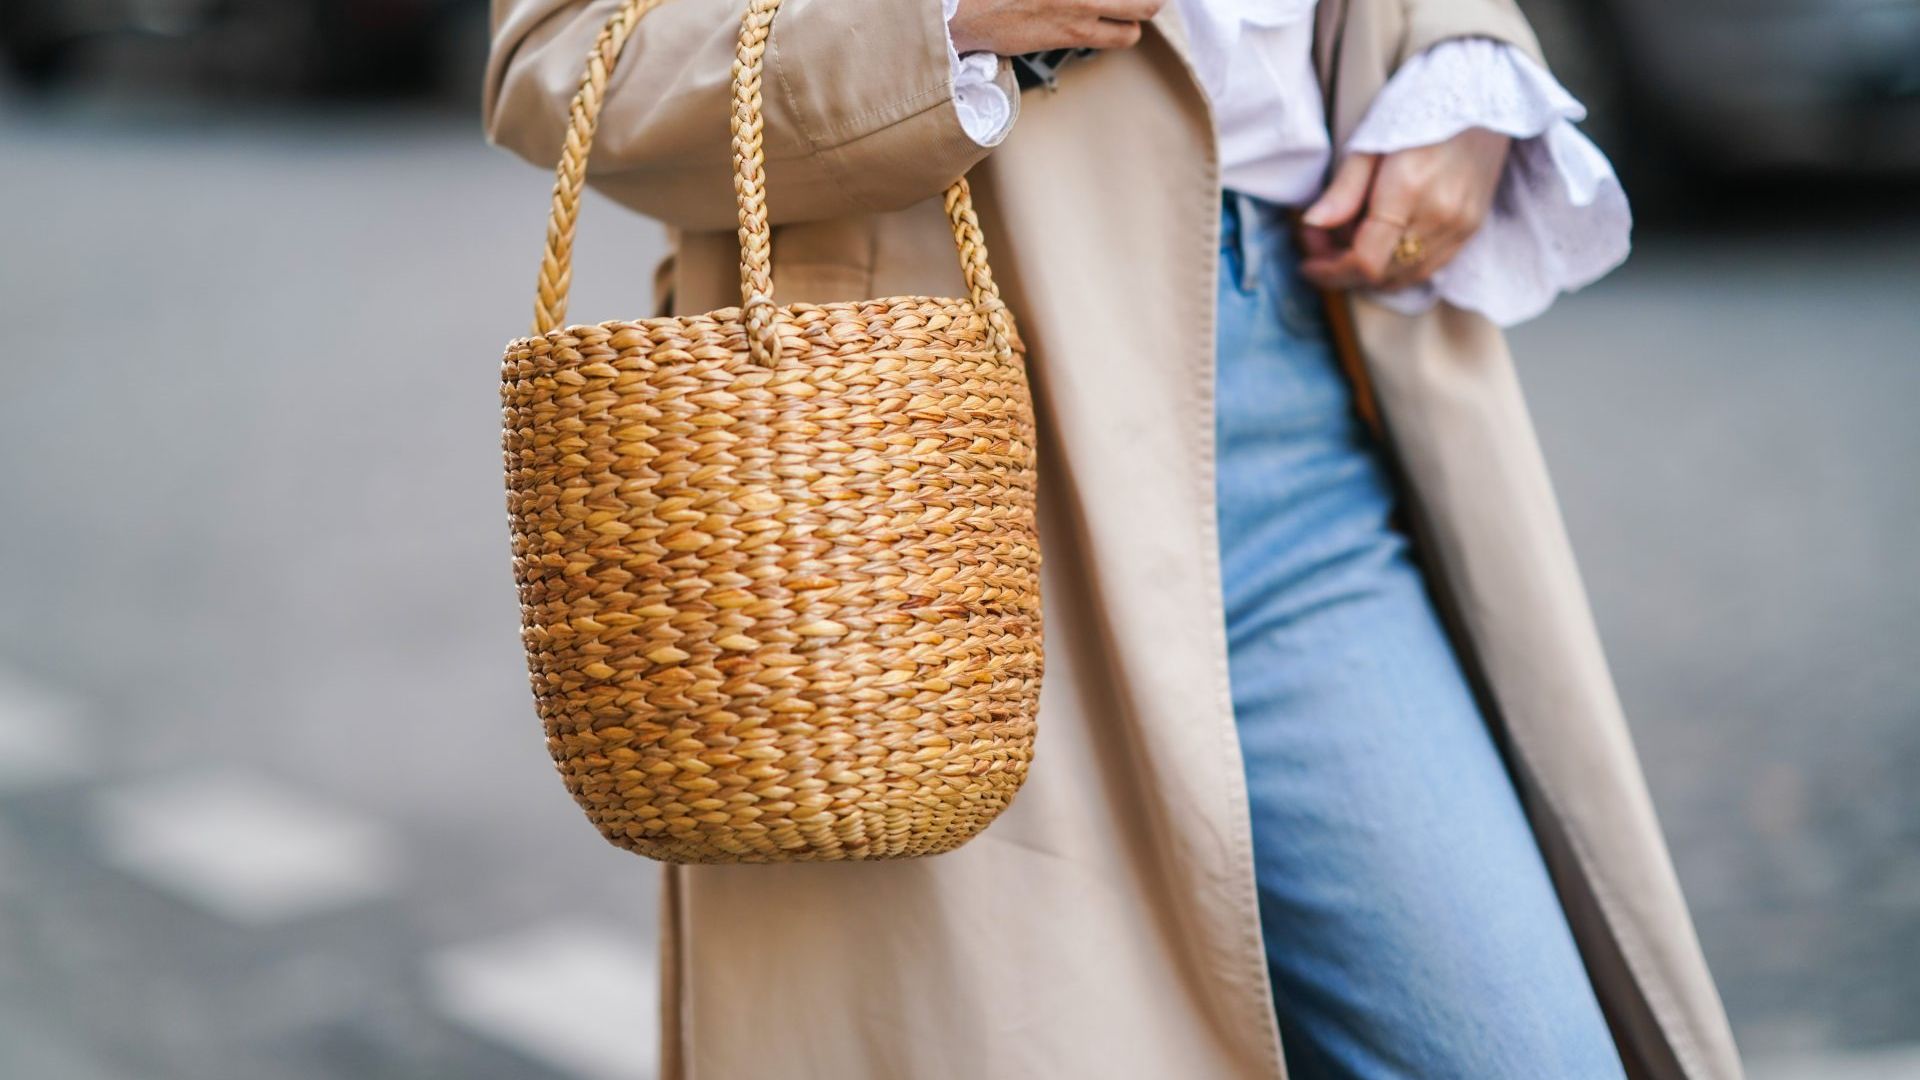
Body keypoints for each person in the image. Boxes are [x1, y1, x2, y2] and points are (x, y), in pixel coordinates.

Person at [486, 1, 1744, 1076]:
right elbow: (557, 53)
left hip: (1313, 398)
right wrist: (935, 22)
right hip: (915, 495)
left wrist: (1461, 56)